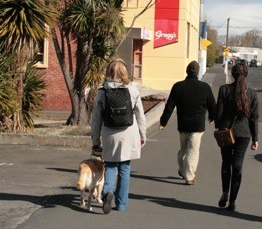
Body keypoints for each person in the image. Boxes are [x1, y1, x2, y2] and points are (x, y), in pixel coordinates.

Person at [91, 58, 146, 214]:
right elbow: (140, 115)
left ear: (108, 72)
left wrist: (95, 140)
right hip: (129, 133)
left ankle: (108, 191)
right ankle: (121, 204)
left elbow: (96, 119)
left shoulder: (103, 92)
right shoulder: (133, 90)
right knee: (125, 168)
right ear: (125, 72)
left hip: (110, 133)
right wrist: (143, 135)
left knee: (110, 165)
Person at [159, 61, 216, 185]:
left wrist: (163, 122)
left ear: (187, 71)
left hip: (183, 124)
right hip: (198, 125)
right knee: (193, 151)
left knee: (183, 150)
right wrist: (212, 117)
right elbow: (212, 104)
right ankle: (189, 176)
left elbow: (169, 106)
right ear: (198, 72)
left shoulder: (178, 86)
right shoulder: (205, 87)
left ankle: (184, 170)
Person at [215, 61, 259, 212]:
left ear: (232, 74)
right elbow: (254, 117)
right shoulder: (252, 93)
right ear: (245, 75)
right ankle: (233, 200)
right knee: (237, 166)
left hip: (226, 131)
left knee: (226, 163)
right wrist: (256, 138)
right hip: (244, 134)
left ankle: (225, 192)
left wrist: (219, 125)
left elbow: (218, 113)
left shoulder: (224, 90)